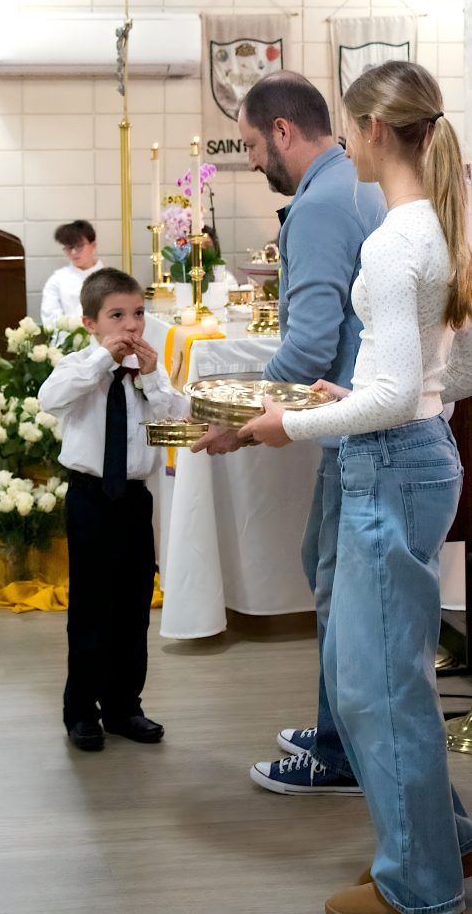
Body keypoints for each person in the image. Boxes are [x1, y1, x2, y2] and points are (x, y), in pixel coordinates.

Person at [246, 60, 472, 914]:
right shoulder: (432, 224)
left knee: (379, 689)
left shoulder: (397, 237)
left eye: (350, 127)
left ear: (375, 130)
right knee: (376, 680)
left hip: (393, 462)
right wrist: (357, 394)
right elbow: (438, 374)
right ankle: (446, 845)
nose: (346, 143)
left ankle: (419, 890)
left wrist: (290, 423)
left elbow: (395, 394)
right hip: (415, 450)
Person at [194, 71, 385, 795]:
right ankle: (338, 731)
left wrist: (235, 421)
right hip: (366, 416)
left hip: (357, 427)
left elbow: (307, 346)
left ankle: (339, 757)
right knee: (326, 570)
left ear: (282, 130)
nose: (250, 160)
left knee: (338, 592)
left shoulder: (319, 204)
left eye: (250, 144)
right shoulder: (354, 183)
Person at [38, 267, 188, 751]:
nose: (131, 326)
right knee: (91, 607)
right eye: (117, 316)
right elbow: (49, 398)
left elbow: (176, 417)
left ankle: (125, 707)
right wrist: (103, 359)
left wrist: (152, 378)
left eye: (138, 314)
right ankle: (82, 710)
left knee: (132, 606)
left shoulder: (147, 371)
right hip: (90, 498)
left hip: (135, 500)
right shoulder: (78, 365)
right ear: (90, 323)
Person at [40, 219, 103, 326]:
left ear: (93, 245)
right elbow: (50, 319)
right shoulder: (57, 280)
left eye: (79, 246)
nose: (73, 252)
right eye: (69, 247)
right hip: (69, 336)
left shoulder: (111, 278)